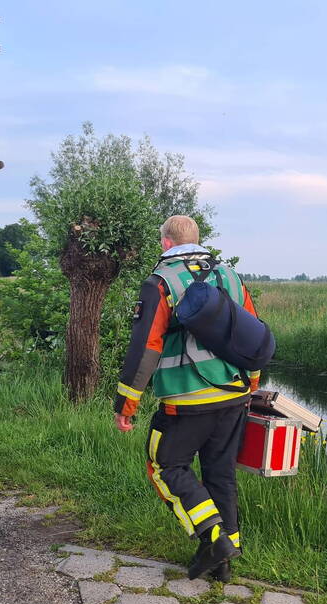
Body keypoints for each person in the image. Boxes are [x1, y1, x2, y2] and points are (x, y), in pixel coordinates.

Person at [114, 215, 261, 581]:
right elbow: (252, 331)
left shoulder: (161, 282)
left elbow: (146, 346)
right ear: (197, 239)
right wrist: (252, 382)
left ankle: (214, 539)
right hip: (234, 393)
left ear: (166, 243)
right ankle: (224, 564)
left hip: (186, 400)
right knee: (220, 474)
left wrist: (126, 404)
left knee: (164, 466)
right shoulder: (229, 275)